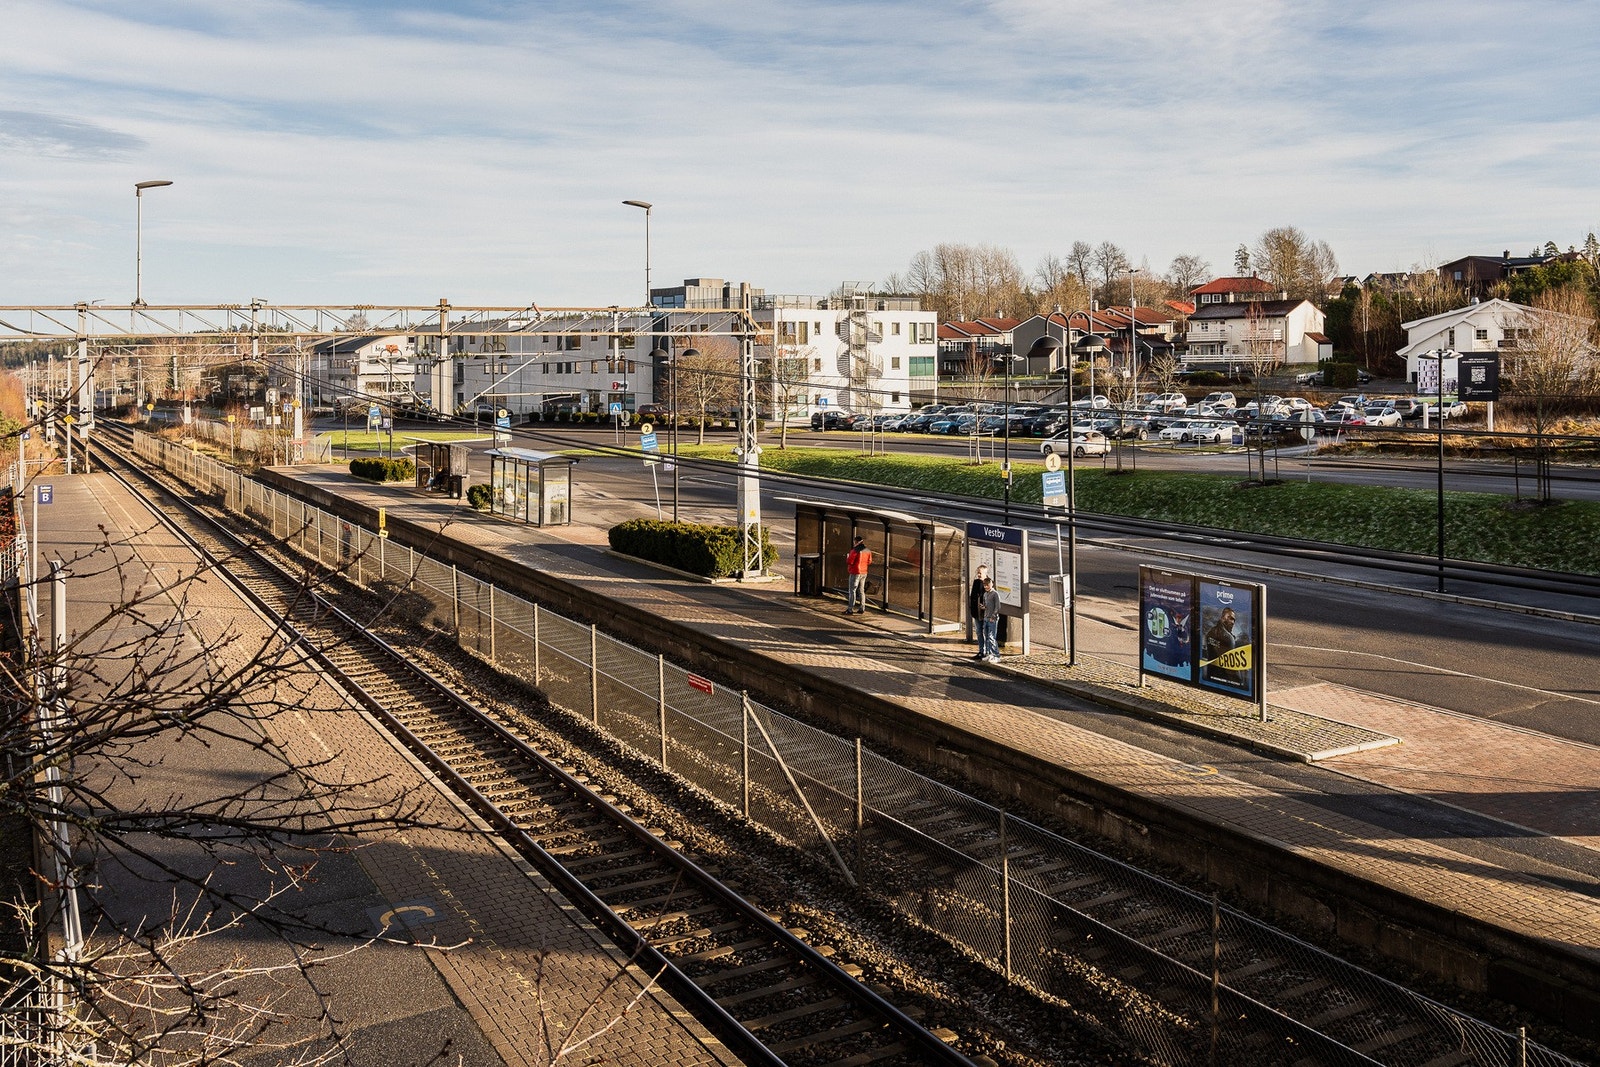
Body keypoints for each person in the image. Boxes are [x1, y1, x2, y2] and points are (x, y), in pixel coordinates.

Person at [845, 535, 871, 614]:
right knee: (861, 590)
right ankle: (862, 608)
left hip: (855, 572)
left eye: (854, 542)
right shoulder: (868, 550)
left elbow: (850, 561)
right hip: (864, 572)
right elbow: (869, 561)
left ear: (856, 542)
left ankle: (850, 609)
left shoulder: (854, 550)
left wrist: (848, 557)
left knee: (852, 590)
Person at [978, 577, 1001, 663]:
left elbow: (997, 607)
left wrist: (993, 616)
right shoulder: (985, 594)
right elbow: (986, 605)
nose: (986, 587)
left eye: (987, 585)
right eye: (985, 585)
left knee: (992, 637)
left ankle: (996, 655)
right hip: (986, 618)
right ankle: (989, 654)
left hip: (992, 619)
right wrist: (983, 607)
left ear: (992, 584)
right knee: (986, 637)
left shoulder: (995, 594)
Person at [967, 564, 989, 644]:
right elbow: (972, 596)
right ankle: (981, 651)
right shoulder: (976, 582)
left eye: (980, 573)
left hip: (986, 612)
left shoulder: (989, 583)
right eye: (978, 573)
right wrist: (972, 608)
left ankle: (987, 651)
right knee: (979, 632)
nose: (979, 575)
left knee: (986, 633)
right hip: (977, 611)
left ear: (985, 574)